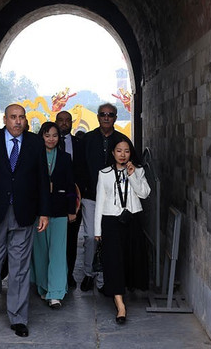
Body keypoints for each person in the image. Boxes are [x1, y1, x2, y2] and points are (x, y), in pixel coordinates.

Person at [0, 104, 50, 337]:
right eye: (13, 117)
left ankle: (18, 317)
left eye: (21, 118)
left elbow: (43, 179)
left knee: (20, 268)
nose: (17, 122)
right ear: (4, 119)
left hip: (23, 213)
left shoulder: (34, 143)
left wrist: (44, 212)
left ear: (25, 120)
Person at [94, 136, 151, 324]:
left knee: (130, 258)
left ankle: (126, 288)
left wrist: (133, 175)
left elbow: (144, 193)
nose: (122, 154)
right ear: (113, 152)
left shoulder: (139, 171)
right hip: (111, 221)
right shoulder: (104, 173)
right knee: (114, 262)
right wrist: (97, 230)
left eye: (126, 151)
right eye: (119, 150)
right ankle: (120, 305)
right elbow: (100, 202)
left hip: (132, 219)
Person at [77, 103, 127, 292]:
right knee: (91, 237)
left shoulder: (122, 139)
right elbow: (79, 166)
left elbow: (131, 164)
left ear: (115, 117)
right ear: (98, 117)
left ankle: (107, 277)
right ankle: (89, 273)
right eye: (103, 114)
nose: (107, 117)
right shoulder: (88, 139)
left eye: (110, 114)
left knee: (110, 238)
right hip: (91, 196)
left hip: (114, 200)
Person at [31, 121, 77, 309]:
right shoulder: (33, 156)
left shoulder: (65, 158)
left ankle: (56, 292)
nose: (51, 139)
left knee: (58, 251)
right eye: (47, 135)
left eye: (55, 135)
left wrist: (71, 210)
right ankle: (43, 287)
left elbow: (70, 185)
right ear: (41, 136)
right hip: (37, 210)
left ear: (59, 138)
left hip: (59, 210)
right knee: (40, 251)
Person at [55, 109, 84, 289]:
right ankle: (54, 275)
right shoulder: (48, 143)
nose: (64, 123)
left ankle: (69, 274)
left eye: (67, 120)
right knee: (54, 240)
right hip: (53, 200)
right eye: (61, 120)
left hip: (74, 198)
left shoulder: (80, 144)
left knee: (71, 239)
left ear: (72, 123)